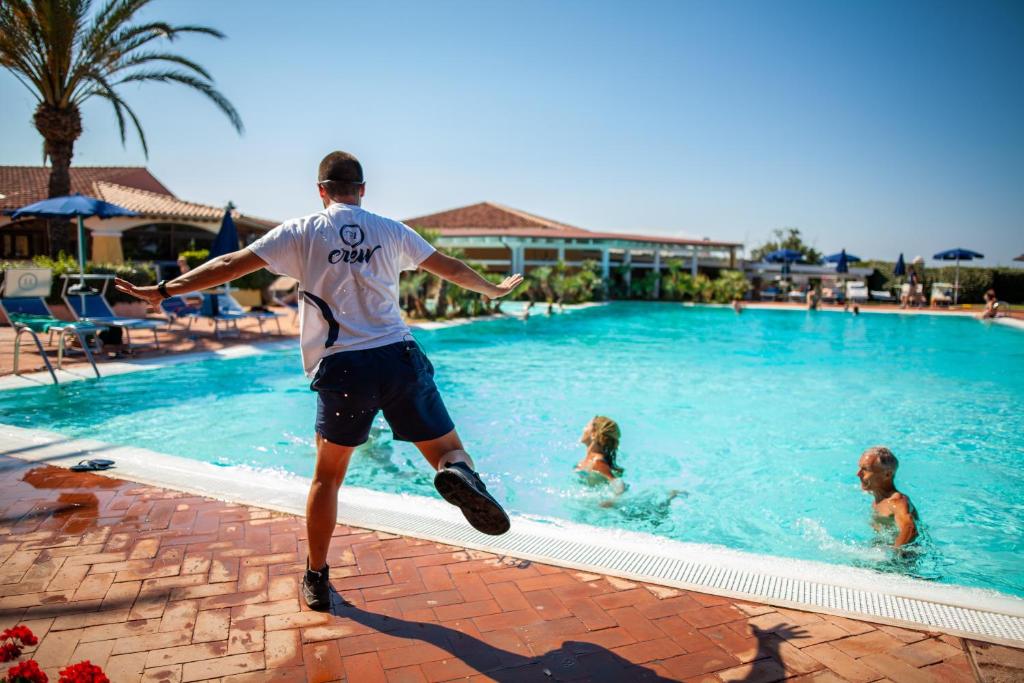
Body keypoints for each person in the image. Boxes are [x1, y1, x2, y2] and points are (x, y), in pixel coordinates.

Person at [115, 150, 523, 611]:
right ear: (363, 189)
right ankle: (459, 473)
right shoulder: (392, 229)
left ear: (321, 190)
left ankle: (316, 576)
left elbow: (229, 263)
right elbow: (446, 265)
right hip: (398, 357)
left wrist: (164, 290)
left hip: (344, 368)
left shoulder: (301, 231)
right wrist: (492, 289)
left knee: (327, 478)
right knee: (448, 449)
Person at [856, 446, 918, 548]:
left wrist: (894, 557)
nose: (858, 474)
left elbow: (910, 528)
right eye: (859, 468)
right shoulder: (878, 500)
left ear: (887, 474)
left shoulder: (896, 501)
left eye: (865, 469)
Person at [576, 416, 626, 495]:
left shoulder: (597, 461)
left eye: (586, 426)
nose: (583, 429)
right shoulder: (588, 460)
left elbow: (619, 484)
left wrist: (611, 502)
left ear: (594, 434)